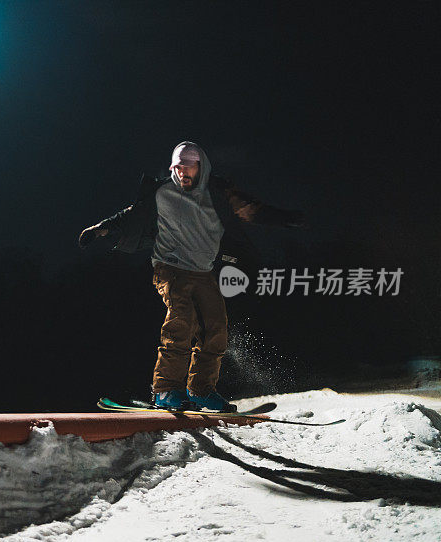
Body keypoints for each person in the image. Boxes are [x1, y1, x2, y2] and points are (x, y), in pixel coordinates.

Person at [78, 141, 303, 411]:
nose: (182, 173)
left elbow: (247, 208)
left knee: (215, 329)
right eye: (177, 167)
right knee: (181, 321)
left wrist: (281, 217)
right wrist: (100, 229)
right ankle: (165, 390)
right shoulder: (161, 192)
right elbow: (132, 214)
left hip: (203, 271)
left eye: (188, 167)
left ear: (201, 166)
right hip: (169, 268)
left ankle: (200, 390)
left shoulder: (217, 191)